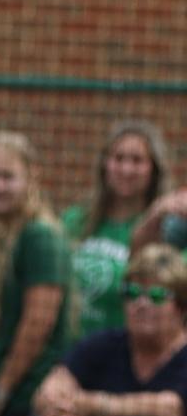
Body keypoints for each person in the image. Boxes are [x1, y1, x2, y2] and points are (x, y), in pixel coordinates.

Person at [34, 243, 187, 416]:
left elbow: (167, 407)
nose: (142, 304)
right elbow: (50, 390)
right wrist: (60, 411)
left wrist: (93, 406)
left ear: (181, 308)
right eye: (132, 293)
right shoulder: (104, 344)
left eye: (157, 296)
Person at [0, 130, 72, 416]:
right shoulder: (16, 235)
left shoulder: (41, 236)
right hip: (13, 401)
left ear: (32, 177)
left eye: (7, 177)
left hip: (26, 402)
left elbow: (38, 323)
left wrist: (0, 394)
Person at [61, 120, 170, 341]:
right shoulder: (75, 221)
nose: (126, 169)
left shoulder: (164, 230)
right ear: (105, 164)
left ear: (153, 169)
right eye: (118, 159)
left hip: (123, 355)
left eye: (137, 161)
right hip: (69, 354)